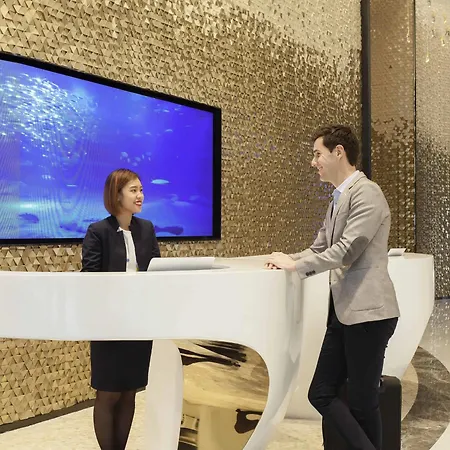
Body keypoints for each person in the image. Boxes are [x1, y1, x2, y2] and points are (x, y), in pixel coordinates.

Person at [266, 125, 400, 450]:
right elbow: (319, 247)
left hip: (369, 315)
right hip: (343, 315)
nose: (313, 162)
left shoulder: (367, 193)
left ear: (338, 152)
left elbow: (347, 251)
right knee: (321, 392)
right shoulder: (337, 199)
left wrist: (296, 267)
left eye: (317, 154)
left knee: (363, 403)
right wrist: (288, 258)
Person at [81, 168, 160, 450]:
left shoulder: (147, 228)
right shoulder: (98, 231)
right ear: (116, 195)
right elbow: (90, 278)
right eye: (133, 190)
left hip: (139, 322)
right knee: (108, 393)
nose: (140, 196)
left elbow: (156, 270)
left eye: (141, 190)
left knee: (129, 392)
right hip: (109, 323)